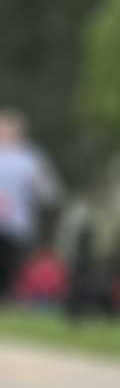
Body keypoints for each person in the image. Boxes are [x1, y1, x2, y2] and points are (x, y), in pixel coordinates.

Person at [0, 112, 61, 308]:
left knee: (11, 265)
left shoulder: (31, 158)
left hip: (17, 223)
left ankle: (8, 301)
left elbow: (48, 191)